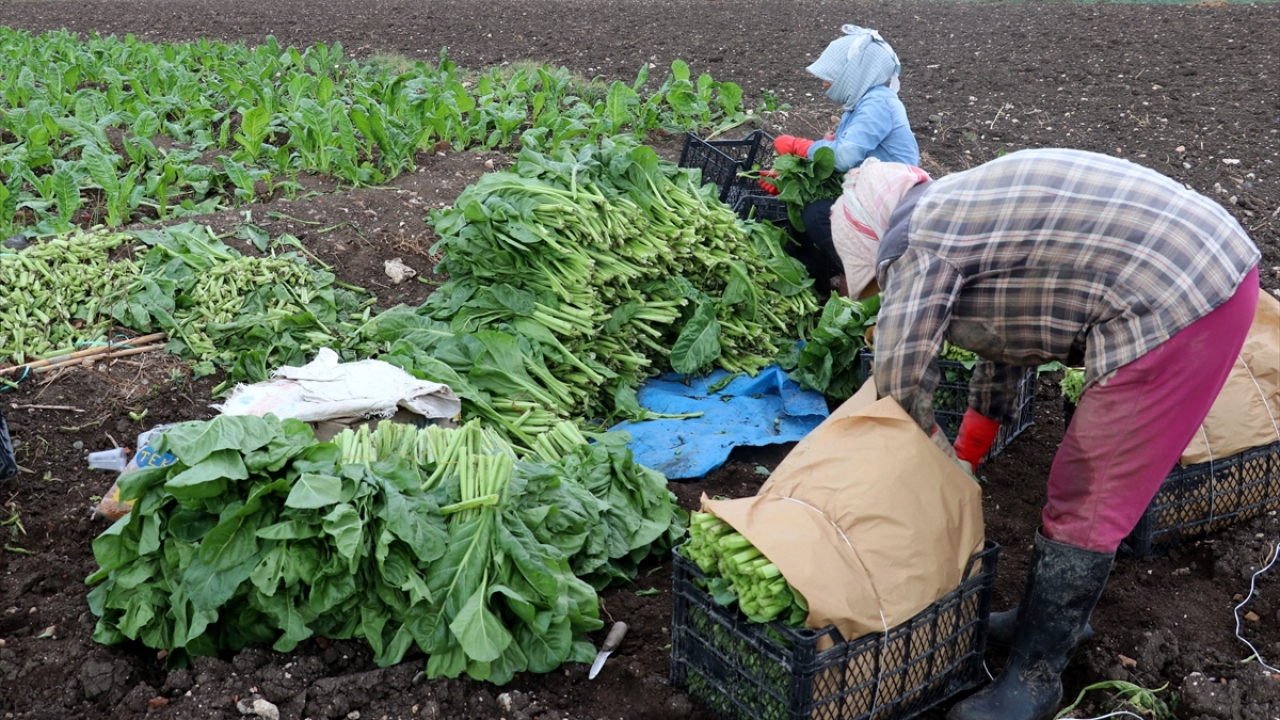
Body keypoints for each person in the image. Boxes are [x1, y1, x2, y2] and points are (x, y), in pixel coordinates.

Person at [838, 149, 1260, 720]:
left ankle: (1035, 680)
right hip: (1199, 266)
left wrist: (937, 468)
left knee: (1089, 489)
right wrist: (966, 453)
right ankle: (1040, 621)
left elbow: (900, 384)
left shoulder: (918, 247)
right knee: (1084, 483)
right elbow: (1006, 338)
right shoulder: (962, 213)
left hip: (1182, 298)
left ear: (875, 247)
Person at [763, 25, 921, 294]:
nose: (825, 84)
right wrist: (790, 179)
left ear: (855, 75)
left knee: (818, 215)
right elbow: (840, 153)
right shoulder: (860, 104)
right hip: (868, 193)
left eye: (831, 77)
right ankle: (823, 283)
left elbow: (844, 156)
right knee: (800, 211)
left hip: (892, 202)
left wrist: (798, 146)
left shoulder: (877, 104)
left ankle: (871, 283)